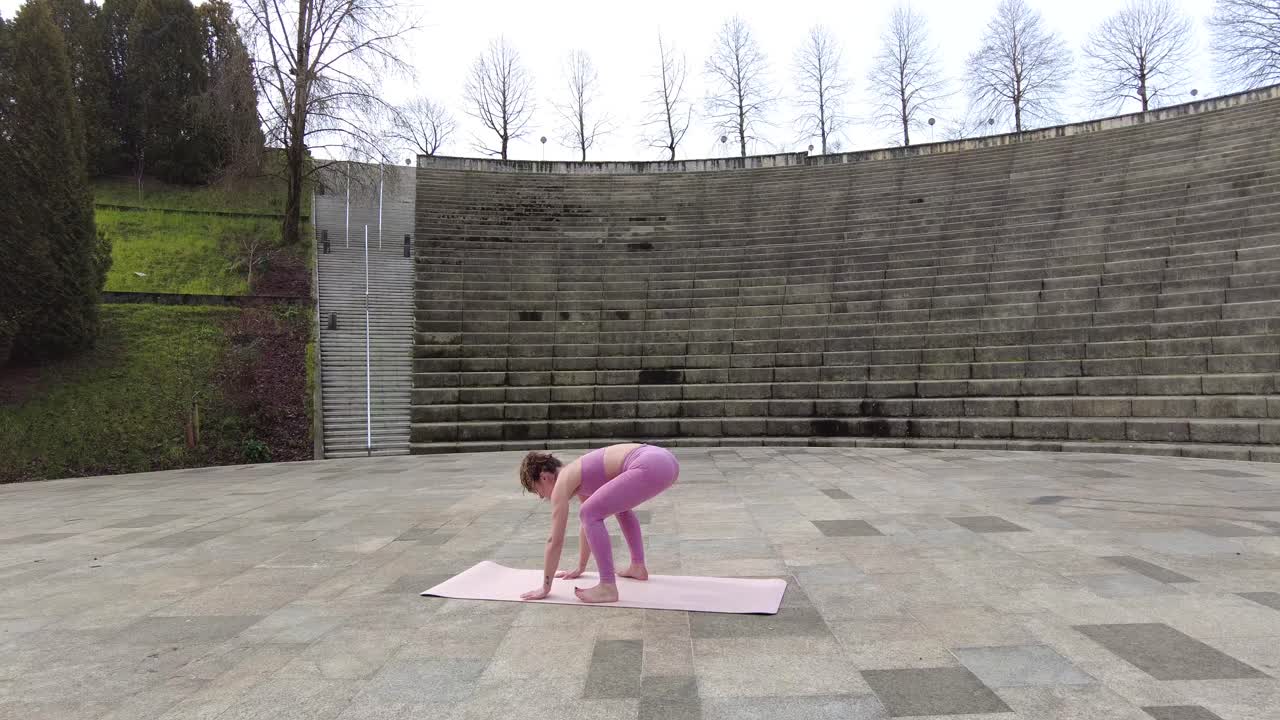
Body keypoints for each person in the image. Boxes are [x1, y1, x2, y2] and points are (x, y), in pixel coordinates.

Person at [517, 443, 680, 603]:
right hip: (665, 461)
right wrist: (580, 567)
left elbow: (554, 540)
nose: (541, 496)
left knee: (589, 512)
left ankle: (607, 586)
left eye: (537, 490)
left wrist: (545, 587)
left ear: (544, 477)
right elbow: (586, 526)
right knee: (617, 508)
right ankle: (637, 566)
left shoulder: (563, 481)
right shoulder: (577, 475)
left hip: (650, 463)